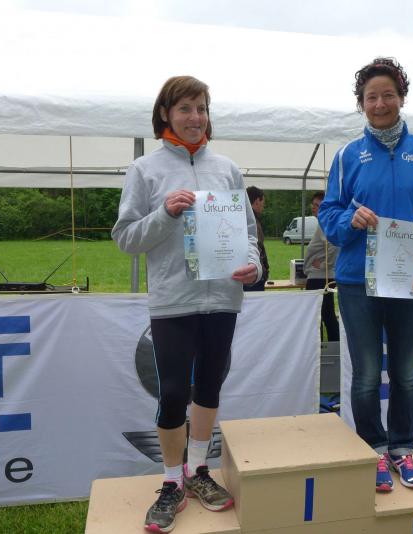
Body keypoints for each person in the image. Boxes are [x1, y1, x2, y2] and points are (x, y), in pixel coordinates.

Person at [111, 75, 262, 534]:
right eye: (185, 109)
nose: (195, 118)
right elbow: (125, 237)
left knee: (210, 386)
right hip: (173, 300)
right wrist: (165, 213)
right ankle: (171, 482)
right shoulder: (145, 170)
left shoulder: (227, 169)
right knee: (174, 392)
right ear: (165, 114)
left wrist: (253, 263)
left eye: (202, 109)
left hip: (223, 298)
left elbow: (248, 233)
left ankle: (198, 471)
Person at [318, 57, 413, 494]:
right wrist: (349, 219)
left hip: (410, 280)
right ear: (361, 103)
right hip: (357, 282)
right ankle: (374, 449)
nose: (380, 104)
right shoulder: (347, 156)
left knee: (405, 375)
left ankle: (402, 448)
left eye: (388, 95)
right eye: (371, 97)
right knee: (365, 375)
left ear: (402, 97)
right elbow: (329, 213)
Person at [304, 191, 340, 342]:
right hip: (321, 276)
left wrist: (325, 264)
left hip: (320, 277)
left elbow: (335, 245)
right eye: (313, 204)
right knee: (326, 313)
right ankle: (332, 345)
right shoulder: (323, 223)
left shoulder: (325, 222)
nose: (314, 207)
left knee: (317, 315)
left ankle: (320, 347)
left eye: (317, 205)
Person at [244, 186, 269, 291]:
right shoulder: (252, 222)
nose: (263, 206)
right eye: (263, 202)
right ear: (257, 201)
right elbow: (257, 247)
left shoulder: (243, 218)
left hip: (249, 273)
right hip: (253, 274)